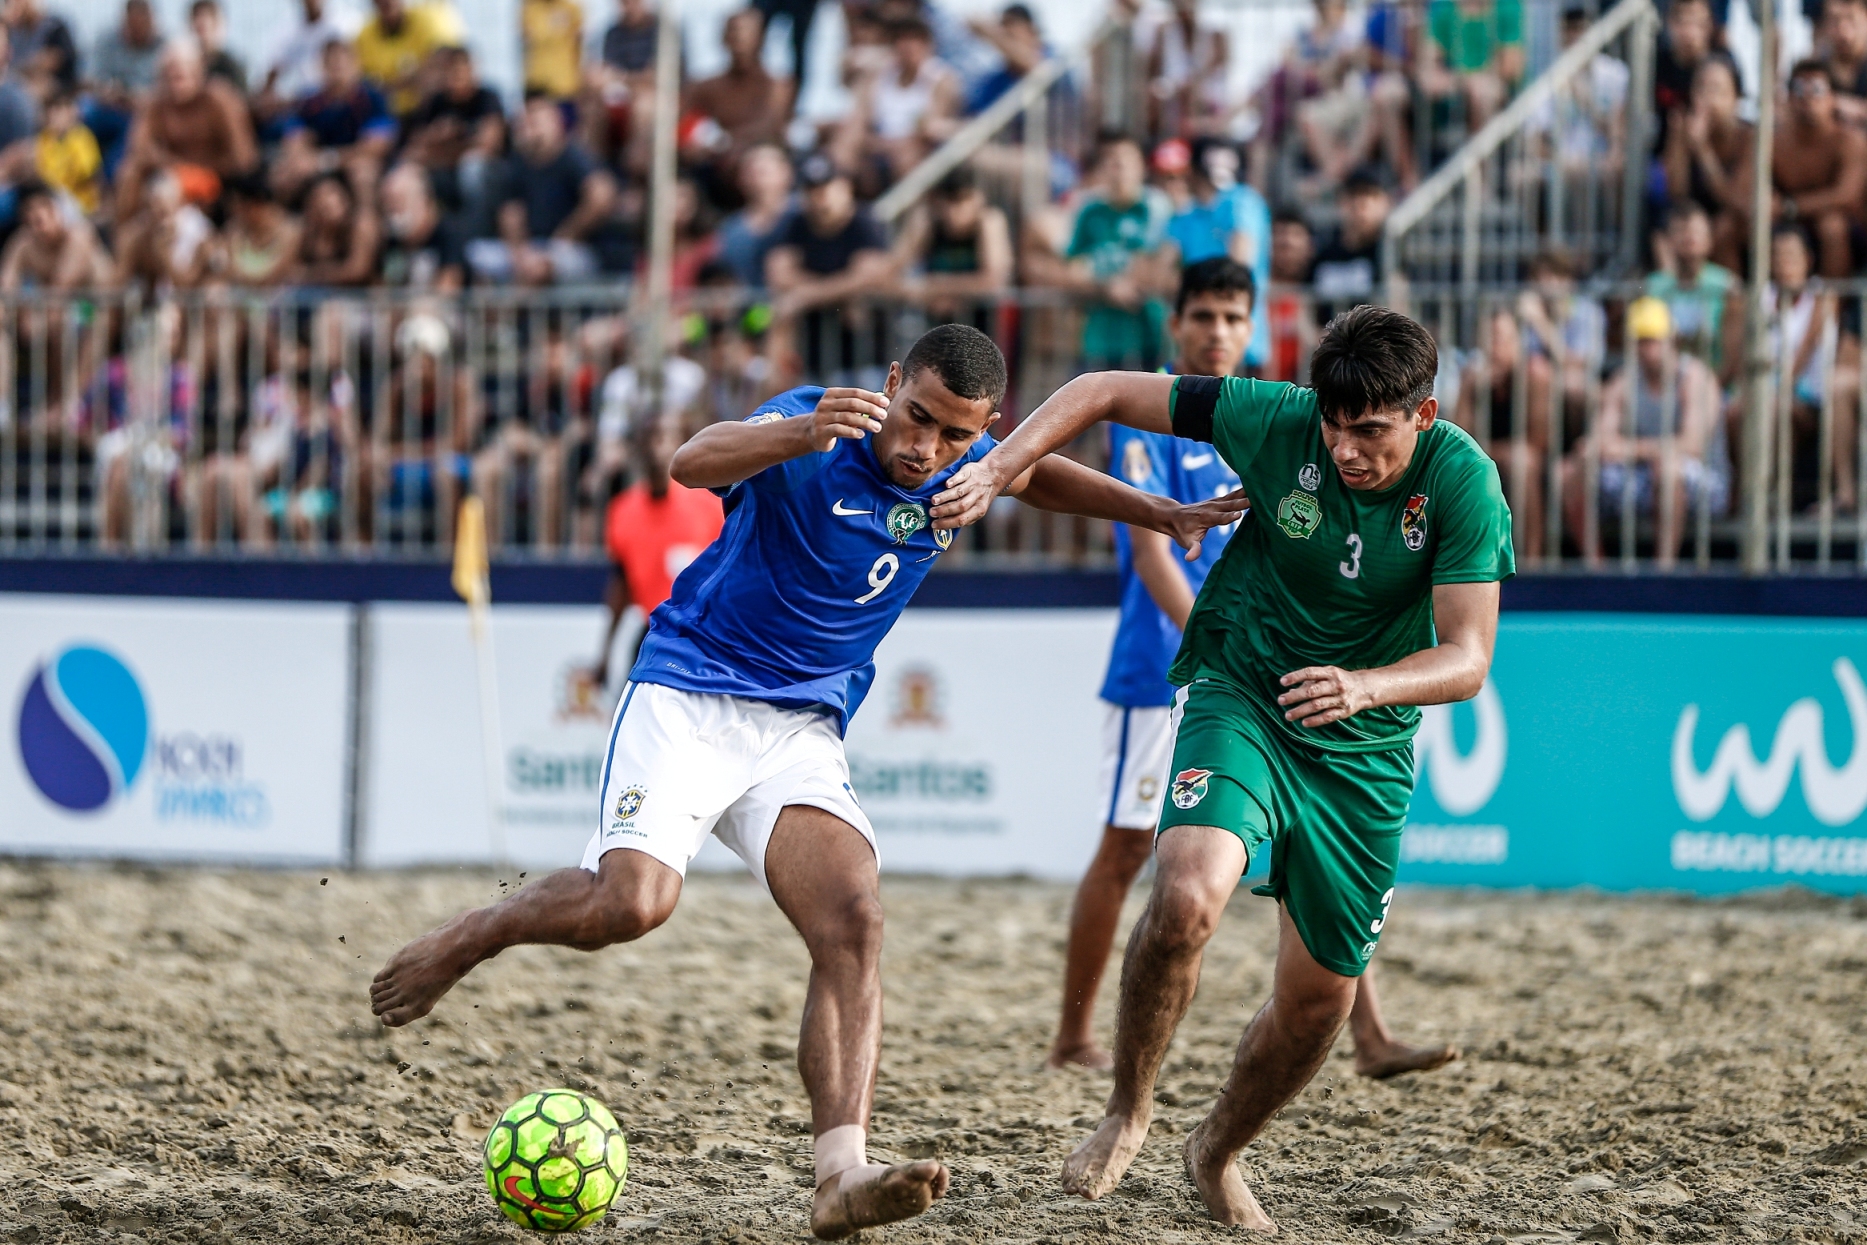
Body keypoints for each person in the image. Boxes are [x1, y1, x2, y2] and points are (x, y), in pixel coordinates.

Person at [368, 324, 1248, 1241]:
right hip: (691, 690)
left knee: (855, 920)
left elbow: (1037, 473)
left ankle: (840, 1172)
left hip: (799, 727)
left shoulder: (963, 463)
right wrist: (799, 432)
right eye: (916, 419)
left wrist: (1159, 512)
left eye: (957, 436)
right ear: (891, 381)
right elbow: (691, 461)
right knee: (629, 907)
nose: (928, 451)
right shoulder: (814, 426)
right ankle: (475, 933)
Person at [928, 305, 1512, 1229]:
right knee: (1185, 893)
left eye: (1371, 430)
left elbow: (1469, 657)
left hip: (1362, 744)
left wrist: (1364, 687)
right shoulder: (1275, 417)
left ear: (1423, 415)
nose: (1347, 450)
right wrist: (999, 467)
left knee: (1319, 999)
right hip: (1247, 686)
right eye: (1336, 426)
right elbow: (1101, 389)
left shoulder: (1463, 482)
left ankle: (1216, 1148)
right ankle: (1127, 1108)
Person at [1561, 296, 1725, 568]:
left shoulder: (1696, 378)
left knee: (1669, 467)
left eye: (1652, 339)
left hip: (1705, 481)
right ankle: (1596, 568)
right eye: (1639, 340)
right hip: (1642, 477)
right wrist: (1610, 449)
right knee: (1569, 468)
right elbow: (1600, 441)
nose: (1646, 348)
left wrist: (1629, 449)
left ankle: (1663, 570)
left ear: (1672, 339)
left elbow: (1692, 445)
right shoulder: (1624, 381)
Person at [589, 414, 726, 689]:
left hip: (702, 637)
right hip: (652, 633)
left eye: (667, 437)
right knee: (631, 719)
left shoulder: (709, 505)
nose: (658, 447)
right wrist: (604, 652)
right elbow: (621, 584)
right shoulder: (623, 510)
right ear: (638, 447)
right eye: (652, 437)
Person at [765, 151, 894, 384]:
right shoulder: (797, 223)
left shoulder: (865, 222)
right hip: (815, 359)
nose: (820, 198)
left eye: (826, 188)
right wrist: (840, 291)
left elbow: (870, 275)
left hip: (865, 355)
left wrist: (805, 295)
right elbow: (779, 272)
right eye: (812, 191)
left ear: (845, 188)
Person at [472, 91, 618, 285]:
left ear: (555, 120)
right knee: (479, 257)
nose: (528, 126)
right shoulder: (517, 163)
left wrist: (566, 236)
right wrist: (520, 253)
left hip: (575, 250)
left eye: (535, 119)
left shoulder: (573, 155)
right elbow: (511, 214)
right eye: (524, 121)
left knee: (541, 267)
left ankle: (512, 309)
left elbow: (602, 195)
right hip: (530, 248)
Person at [1059, 132, 1174, 371]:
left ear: (1141, 166)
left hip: (1149, 333)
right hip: (1099, 337)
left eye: (1125, 160)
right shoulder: (1089, 209)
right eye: (1110, 160)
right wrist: (1106, 287)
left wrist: (1108, 280)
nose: (1117, 168)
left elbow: (1158, 263)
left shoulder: (1156, 207)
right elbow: (1071, 267)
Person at [1749, 61, 1867, 281]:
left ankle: (1831, 307)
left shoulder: (1849, 141)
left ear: (1833, 98)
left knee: (1832, 226)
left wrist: (1790, 207)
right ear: (1789, 98)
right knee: (1739, 224)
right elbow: (1751, 187)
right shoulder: (1775, 141)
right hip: (1788, 223)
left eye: (1817, 89)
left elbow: (1846, 196)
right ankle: (1753, 302)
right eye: (1799, 89)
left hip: (1844, 229)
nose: (1808, 98)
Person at [117, 37, 258, 217]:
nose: (174, 84)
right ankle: (123, 236)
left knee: (170, 187)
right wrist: (175, 166)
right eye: (168, 76)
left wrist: (194, 169)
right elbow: (139, 148)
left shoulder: (219, 100)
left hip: (217, 180)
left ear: (197, 71)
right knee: (129, 174)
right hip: (170, 174)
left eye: (180, 76)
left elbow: (244, 157)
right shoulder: (156, 103)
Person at [1164, 137, 1271, 374]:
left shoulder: (1243, 201)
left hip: (1243, 349)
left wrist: (1190, 286)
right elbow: (1156, 271)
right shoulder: (1186, 214)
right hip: (1198, 347)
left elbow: (1241, 264)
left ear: (1192, 170)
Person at [1452, 308, 1549, 559]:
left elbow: (1540, 441)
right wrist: (1477, 390)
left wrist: (1499, 452)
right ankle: (1468, 558)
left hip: (1530, 460)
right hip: (1488, 455)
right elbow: (1459, 439)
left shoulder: (1534, 375)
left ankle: (1531, 559)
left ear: (1518, 341)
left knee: (1521, 462)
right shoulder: (1473, 377)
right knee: (1462, 468)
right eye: (1491, 339)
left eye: (1503, 338)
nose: (1497, 346)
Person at [275, 38, 398, 199]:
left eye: (342, 61)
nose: (337, 67)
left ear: (356, 65)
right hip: (319, 168)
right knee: (283, 173)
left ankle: (367, 220)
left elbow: (375, 147)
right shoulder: (310, 103)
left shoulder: (373, 99)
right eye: (330, 62)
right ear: (322, 67)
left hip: (352, 166)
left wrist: (323, 160)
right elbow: (293, 138)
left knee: (363, 172)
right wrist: (300, 158)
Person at [845, 15, 959, 188]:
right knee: (846, 135)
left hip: (914, 149)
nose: (908, 47)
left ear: (927, 45)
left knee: (908, 158)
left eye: (914, 40)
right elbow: (862, 116)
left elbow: (928, 128)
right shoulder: (879, 75)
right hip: (879, 143)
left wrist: (889, 146)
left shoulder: (941, 79)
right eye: (902, 40)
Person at [889, 164, 1011, 325]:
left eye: (962, 200)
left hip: (985, 328)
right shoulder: (928, 221)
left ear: (979, 199)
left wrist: (934, 287)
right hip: (938, 327)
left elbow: (993, 280)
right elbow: (891, 274)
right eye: (949, 202)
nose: (955, 211)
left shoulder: (989, 222)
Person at [684, 9, 793, 187]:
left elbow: (770, 126)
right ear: (724, 39)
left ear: (761, 39)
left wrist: (724, 143)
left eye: (748, 34)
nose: (741, 42)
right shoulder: (705, 87)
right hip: (712, 167)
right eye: (734, 33)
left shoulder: (778, 86)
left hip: (756, 160)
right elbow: (677, 120)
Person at [1661, 57, 1749, 270]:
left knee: (1724, 226)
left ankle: (1731, 297)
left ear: (1735, 98)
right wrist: (1682, 144)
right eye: (1701, 88)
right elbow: (1677, 192)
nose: (1708, 97)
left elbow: (1731, 199)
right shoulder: (1682, 128)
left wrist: (1702, 151)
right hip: (1694, 215)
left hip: (1736, 218)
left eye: (1717, 90)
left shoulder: (1748, 136)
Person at [1646, 199, 1741, 388]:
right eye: (1681, 231)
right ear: (1668, 240)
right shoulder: (1651, 287)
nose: (1689, 237)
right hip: (1665, 388)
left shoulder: (1728, 286)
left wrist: (1709, 389)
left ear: (1709, 239)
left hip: (1716, 385)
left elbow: (1734, 356)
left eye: (1696, 231)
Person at [258, 0, 362, 126]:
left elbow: (352, 73)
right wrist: (267, 98)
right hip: (304, 101)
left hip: (338, 98)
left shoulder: (345, 23)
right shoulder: (288, 29)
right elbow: (273, 70)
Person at [355, 0, 466, 117]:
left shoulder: (426, 20)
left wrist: (393, 84)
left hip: (429, 107)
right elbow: (359, 79)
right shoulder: (364, 34)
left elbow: (450, 59)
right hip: (389, 114)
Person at [1310, 164, 1390, 323]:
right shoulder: (1324, 255)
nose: (1360, 204)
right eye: (1354, 195)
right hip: (1327, 343)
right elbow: (1307, 307)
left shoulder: (1389, 256)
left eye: (1370, 195)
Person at [0, 178, 112, 290]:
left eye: (40, 220)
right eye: (33, 222)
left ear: (57, 211)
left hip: (96, 302)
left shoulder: (80, 236)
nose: (41, 228)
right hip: (51, 303)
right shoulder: (24, 243)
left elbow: (62, 288)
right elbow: (6, 285)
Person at [1145, 0, 1230, 139]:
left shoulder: (1215, 35)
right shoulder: (1163, 34)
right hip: (1172, 102)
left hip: (1203, 103)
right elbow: (1153, 75)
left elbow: (1216, 74)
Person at [716, 141, 796, 288]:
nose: (757, 177)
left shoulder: (806, 213)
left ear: (787, 172)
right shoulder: (730, 230)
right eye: (750, 171)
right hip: (750, 307)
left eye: (764, 170)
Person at [377, 159, 466, 289]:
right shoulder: (391, 238)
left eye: (399, 203)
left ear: (423, 202)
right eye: (388, 205)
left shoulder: (449, 232)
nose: (392, 214)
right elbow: (382, 288)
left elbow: (449, 288)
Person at [296, 169, 380, 285]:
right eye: (318, 197)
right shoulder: (311, 232)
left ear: (344, 196)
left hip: (363, 297)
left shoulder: (362, 222)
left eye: (330, 193)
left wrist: (312, 274)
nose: (326, 202)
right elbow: (295, 271)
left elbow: (357, 271)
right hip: (323, 296)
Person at [36, 89, 101, 215]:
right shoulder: (44, 139)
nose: (54, 116)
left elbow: (87, 171)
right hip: (52, 199)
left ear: (71, 112)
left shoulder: (82, 136)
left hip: (80, 203)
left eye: (60, 110)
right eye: (51, 111)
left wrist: (69, 139)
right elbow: (43, 174)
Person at [7, 0, 78, 100]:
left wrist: (33, 65)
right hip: (19, 84)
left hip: (57, 91)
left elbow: (57, 58)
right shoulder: (13, 33)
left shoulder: (53, 27)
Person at [522, 0, 582, 99]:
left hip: (564, 82)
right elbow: (527, 42)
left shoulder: (571, 8)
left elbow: (579, 43)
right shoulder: (530, 9)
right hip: (536, 79)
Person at [188, 0, 244, 91]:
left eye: (205, 18)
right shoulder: (186, 64)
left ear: (216, 23)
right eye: (196, 17)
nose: (200, 22)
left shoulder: (230, 65)